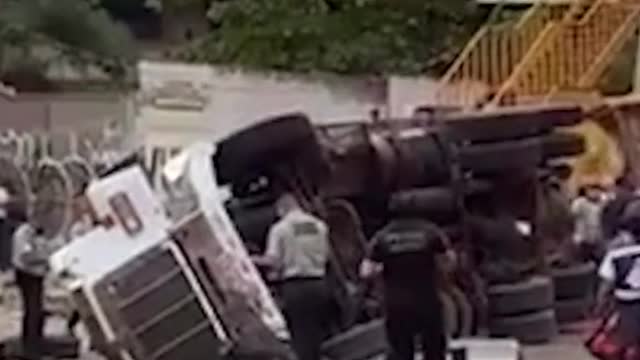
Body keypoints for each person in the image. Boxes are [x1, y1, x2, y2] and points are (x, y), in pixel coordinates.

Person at [360, 219, 454, 360]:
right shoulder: (431, 231)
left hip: (397, 304)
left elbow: (365, 271)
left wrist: (381, 270)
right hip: (427, 301)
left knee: (401, 351)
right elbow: (448, 262)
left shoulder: (382, 236)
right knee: (434, 350)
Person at [253, 194, 331, 360]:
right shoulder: (319, 226)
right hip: (320, 284)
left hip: (297, 287)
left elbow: (273, 262)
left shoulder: (280, 229)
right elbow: (327, 256)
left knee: (301, 336)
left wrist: (251, 259)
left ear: (281, 209)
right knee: (317, 334)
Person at [12, 212, 62, 360]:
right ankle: (30, 347)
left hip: (36, 275)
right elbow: (26, 256)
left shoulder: (36, 234)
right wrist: (45, 258)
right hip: (27, 275)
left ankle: (37, 343)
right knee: (33, 310)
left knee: (37, 310)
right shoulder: (24, 234)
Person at [596, 199, 640, 356]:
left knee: (622, 348)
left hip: (625, 308)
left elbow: (605, 286)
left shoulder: (616, 255)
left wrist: (600, 309)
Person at [571, 184, 606, 262]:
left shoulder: (601, 203)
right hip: (583, 238)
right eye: (592, 190)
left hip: (597, 238)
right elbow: (573, 214)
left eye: (597, 190)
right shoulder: (580, 203)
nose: (595, 192)